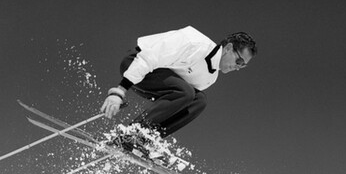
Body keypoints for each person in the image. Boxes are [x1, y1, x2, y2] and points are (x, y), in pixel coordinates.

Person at [100, 26, 256, 141]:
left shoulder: (210, 77)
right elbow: (150, 56)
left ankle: (147, 138)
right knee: (187, 92)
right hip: (136, 62)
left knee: (199, 100)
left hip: (156, 82)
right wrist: (119, 91)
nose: (238, 67)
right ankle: (132, 133)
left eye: (243, 65)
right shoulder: (195, 43)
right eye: (239, 61)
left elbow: (177, 102)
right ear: (228, 48)